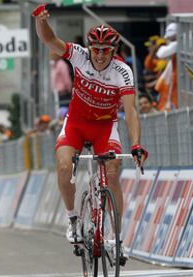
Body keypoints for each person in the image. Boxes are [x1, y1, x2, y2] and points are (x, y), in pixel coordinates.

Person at [32, 4, 148, 259]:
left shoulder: (123, 72)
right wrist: (40, 21)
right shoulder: (79, 55)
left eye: (105, 51)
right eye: (96, 50)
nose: (99, 55)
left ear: (113, 51)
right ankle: (73, 218)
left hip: (104, 127)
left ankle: (117, 241)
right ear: (90, 48)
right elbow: (50, 40)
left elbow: (130, 112)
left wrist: (136, 144)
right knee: (64, 167)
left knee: (113, 174)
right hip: (75, 122)